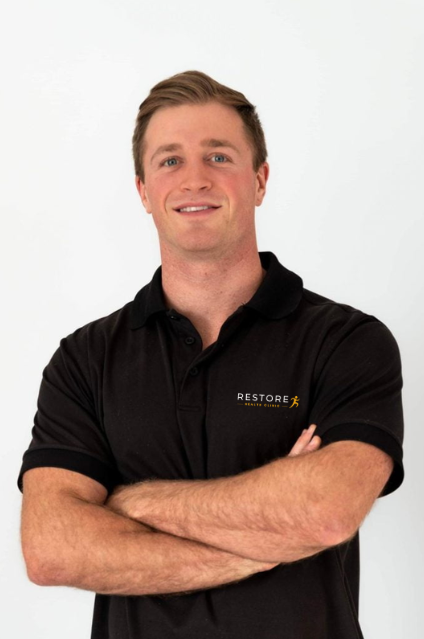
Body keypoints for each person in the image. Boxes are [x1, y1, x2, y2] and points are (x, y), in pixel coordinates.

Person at [18, 70, 404, 639]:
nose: (194, 179)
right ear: (143, 191)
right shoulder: (85, 359)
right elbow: (52, 549)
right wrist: (271, 540)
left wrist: (131, 504)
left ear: (260, 180)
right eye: (170, 160)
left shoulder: (346, 341)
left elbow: (325, 513)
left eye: (218, 157)